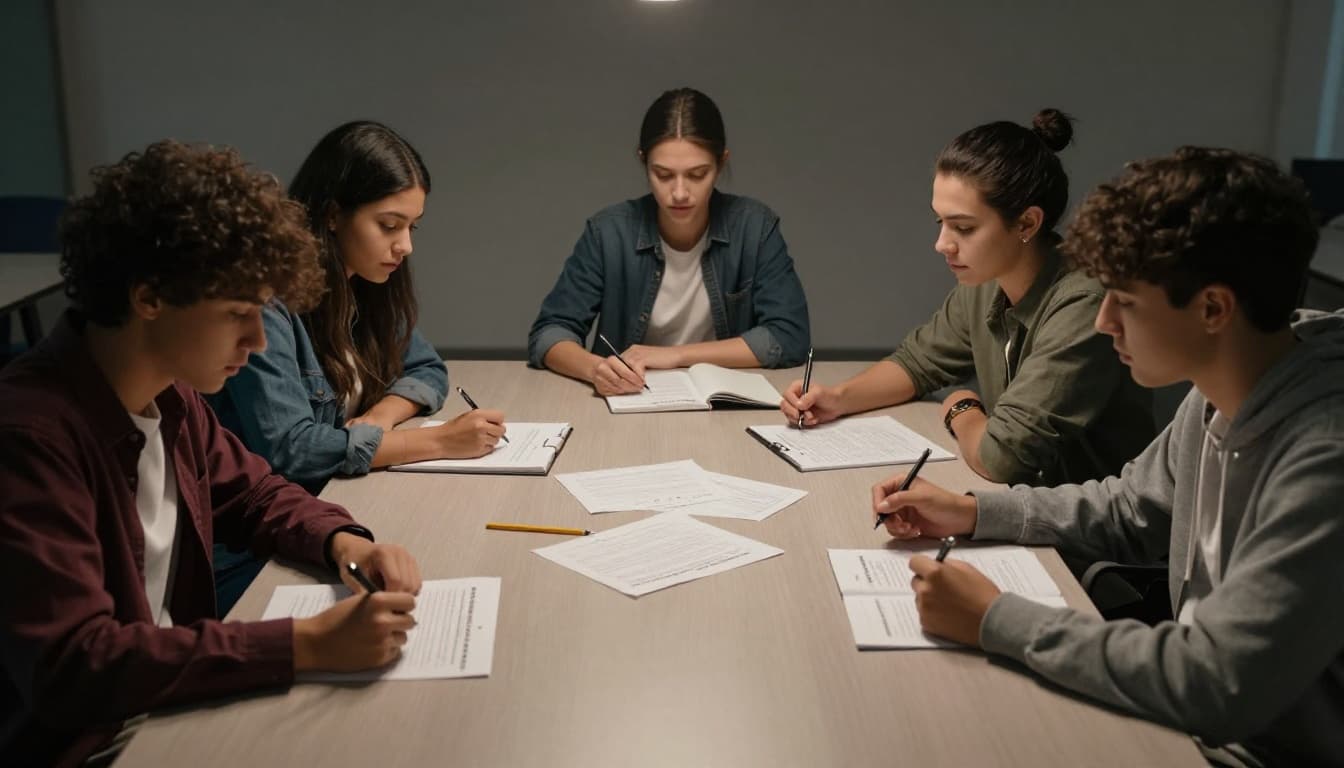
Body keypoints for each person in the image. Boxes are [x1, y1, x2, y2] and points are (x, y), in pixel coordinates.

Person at [873, 148, 1343, 766]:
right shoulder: (1218, 396)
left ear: (1212, 309)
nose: (1104, 321)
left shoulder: (1322, 456)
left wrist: (995, 619)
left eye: (1124, 300)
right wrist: (969, 512)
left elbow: (1219, 682)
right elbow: (1125, 507)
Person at [0, 140, 424, 767]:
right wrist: (304, 645)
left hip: (173, 700)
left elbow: (254, 493)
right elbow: (75, 667)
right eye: (236, 315)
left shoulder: (169, 395)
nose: (256, 342)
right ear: (148, 298)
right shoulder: (30, 436)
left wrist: (346, 543)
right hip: (94, 742)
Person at [782, 110, 1153, 486]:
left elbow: (1002, 458)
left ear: (1027, 223)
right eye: (939, 222)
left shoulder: (1083, 303)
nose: (942, 244)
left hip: (1084, 534)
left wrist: (961, 406)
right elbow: (918, 363)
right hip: (1022, 508)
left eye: (963, 227)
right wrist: (837, 398)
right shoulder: (986, 282)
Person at [208, 120, 505, 496]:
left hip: (337, 498)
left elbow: (426, 367)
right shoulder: (270, 304)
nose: (405, 246)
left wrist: (380, 418)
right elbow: (291, 450)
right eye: (389, 225)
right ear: (333, 216)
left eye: (412, 227)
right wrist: (441, 442)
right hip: (265, 528)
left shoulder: (365, 284)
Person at [528, 87, 811, 393]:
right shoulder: (608, 232)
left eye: (697, 174)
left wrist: (675, 356)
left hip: (724, 404)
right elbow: (549, 333)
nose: (679, 192)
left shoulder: (754, 227)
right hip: (631, 399)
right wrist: (596, 369)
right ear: (643, 162)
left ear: (721, 163)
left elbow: (789, 337)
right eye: (663, 175)